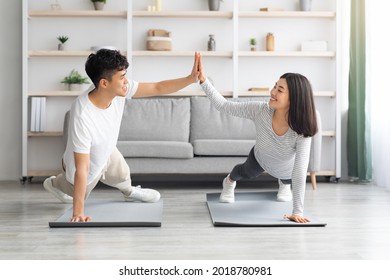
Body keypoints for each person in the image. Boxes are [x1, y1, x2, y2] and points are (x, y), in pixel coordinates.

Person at [43, 49, 201, 222]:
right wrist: (78, 213)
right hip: (83, 166)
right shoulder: (82, 114)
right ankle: (54, 183)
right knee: (77, 191)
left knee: (123, 174)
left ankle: (130, 193)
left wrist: (191, 79)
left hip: (106, 151)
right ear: (104, 83)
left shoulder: (119, 89)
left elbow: (158, 87)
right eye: (122, 77)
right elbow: (83, 168)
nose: (126, 82)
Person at [197, 54, 317, 223]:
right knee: (244, 172)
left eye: (280, 90)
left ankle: (284, 185)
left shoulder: (302, 129)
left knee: (288, 178)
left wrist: (297, 211)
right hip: (260, 157)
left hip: (287, 169)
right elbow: (223, 106)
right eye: (275, 86)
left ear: (294, 99)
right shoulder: (260, 110)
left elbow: (300, 171)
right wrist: (203, 81)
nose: (272, 92)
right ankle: (229, 181)